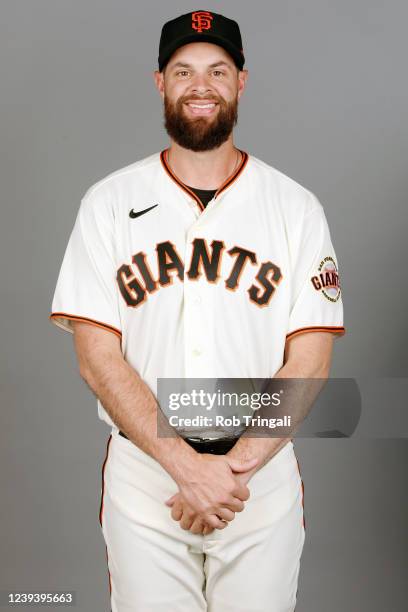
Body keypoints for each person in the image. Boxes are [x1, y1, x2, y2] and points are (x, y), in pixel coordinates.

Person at [49, 9, 345, 612]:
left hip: (257, 475)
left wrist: (231, 469)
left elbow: (311, 359)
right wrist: (185, 466)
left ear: (241, 80)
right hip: (146, 472)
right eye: (184, 71)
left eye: (217, 69)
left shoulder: (295, 207)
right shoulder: (108, 202)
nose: (201, 85)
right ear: (160, 82)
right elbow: (96, 356)